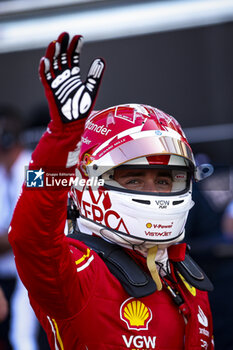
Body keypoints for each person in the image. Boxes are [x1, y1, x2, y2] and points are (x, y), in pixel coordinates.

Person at [9, 32, 215, 349]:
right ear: (85, 184)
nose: (155, 191)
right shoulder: (77, 275)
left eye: (164, 180)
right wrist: (61, 137)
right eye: (133, 179)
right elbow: (29, 239)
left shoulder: (184, 272)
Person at [0, 106, 41, 350]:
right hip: (8, 273)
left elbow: (27, 233)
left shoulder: (33, 169)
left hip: (33, 269)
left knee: (22, 337)